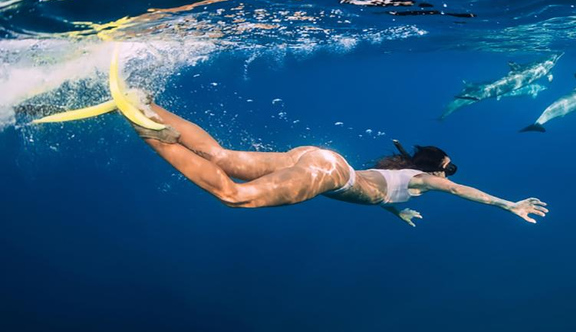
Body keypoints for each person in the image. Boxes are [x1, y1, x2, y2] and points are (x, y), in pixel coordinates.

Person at [131, 102, 548, 227]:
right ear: (435, 169)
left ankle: (149, 105)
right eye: (447, 168)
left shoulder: (404, 175)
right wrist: (507, 205)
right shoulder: (424, 179)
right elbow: (462, 191)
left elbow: (380, 190)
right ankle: (147, 131)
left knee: (221, 156)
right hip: (328, 173)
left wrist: (396, 208)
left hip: (316, 157)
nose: (448, 175)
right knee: (234, 196)